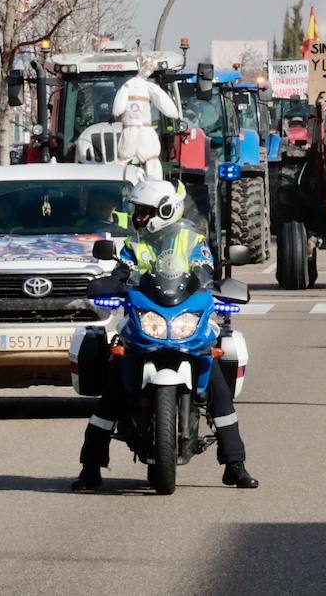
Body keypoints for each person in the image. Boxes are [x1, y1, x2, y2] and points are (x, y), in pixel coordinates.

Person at [73, 178, 258, 492]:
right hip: (143, 324)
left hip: (185, 321)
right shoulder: (135, 244)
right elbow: (122, 271)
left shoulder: (191, 240)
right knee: (113, 389)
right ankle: (90, 468)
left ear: (164, 210)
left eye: (144, 211)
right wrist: (112, 284)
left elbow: (204, 271)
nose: (138, 217)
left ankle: (234, 464)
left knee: (218, 389)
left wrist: (214, 286)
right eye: (138, 211)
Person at [111, 61, 180, 178]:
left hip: (130, 131)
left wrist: (115, 113)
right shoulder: (148, 86)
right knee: (151, 159)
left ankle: (117, 182)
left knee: (122, 160)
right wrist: (175, 114)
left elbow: (118, 108)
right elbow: (163, 101)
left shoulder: (127, 85)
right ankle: (156, 185)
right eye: (149, 69)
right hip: (145, 131)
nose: (149, 71)